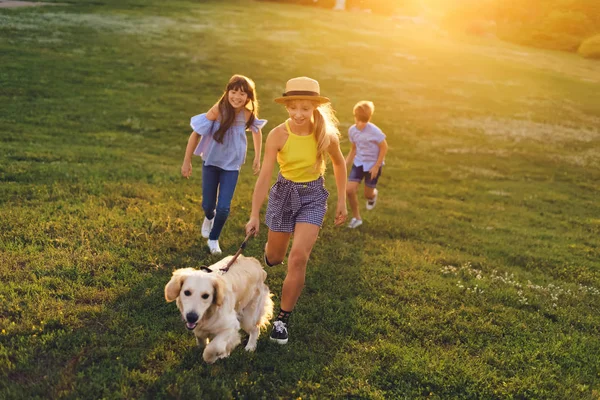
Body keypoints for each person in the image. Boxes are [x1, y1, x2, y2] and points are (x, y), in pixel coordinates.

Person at [245, 77, 347, 345]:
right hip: (283, 194)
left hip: (313, 196)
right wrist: (254, 214)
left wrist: (341, 201)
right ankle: (270, 253)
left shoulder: (325, 135)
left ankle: (282, 319)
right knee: (276, 258)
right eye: (294, 108)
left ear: (314, 107)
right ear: (287, 107)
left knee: (299, 257)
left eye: (305, 108)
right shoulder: (278, 135)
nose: (299, 114)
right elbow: (265, 175)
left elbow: (339, 164)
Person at [182, 75, 267, 254]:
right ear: (227, 92)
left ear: (249, 97)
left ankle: (213, 239)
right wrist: (187, 161)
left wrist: (258, 157)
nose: (237, 97)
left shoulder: (247, 114)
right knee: (208, 205)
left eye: (242, 94)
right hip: (211, 163)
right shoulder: (218, 110)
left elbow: (257, 132)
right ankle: (208, 217)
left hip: (231, 166)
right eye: (233, 91)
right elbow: (195, 134)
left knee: (224, 207)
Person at [345, 101, 388, 229]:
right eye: (358, 120)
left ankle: (373, 195)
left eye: (364, 121)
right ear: (355, 116)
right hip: (359, 163)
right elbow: (354, 148)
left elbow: (384, 148)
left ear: (369, 118)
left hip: (373, 165)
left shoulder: (375, 131)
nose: (360, 123)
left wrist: (376, 166)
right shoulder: (352, 130)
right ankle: (356, 218)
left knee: (367, 195)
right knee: (349, 190)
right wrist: (346, 163)